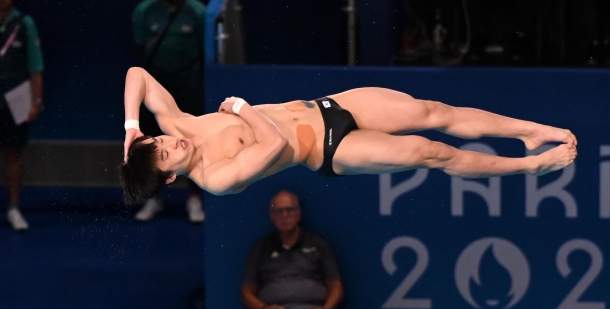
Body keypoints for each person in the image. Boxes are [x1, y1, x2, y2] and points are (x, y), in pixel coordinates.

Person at [119, 67, 578, 203]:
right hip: (331, 148)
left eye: (158, 142)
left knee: (431, 111)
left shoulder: (177, 125)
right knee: (428, 152)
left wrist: (132, 126)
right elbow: (275, 143)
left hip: (331, 105)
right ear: (172, 178)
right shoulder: (216, 177)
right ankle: (531, 165)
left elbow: (137, 74)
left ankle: (532, 134)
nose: (170, 144)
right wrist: (240, 108)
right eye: (164, 155)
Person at [131, 0, 206, 222]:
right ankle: (154, 197)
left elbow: (204, 48)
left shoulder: (197, 11)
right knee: (152, 143)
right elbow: (140, 45)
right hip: (155, 85)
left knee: (192, 140)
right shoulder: (145, 10)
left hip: (188, 85)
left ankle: (194, 198)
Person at [0, 0, 44, 231]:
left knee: (13, 153)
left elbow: (35, 67)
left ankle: (13, 208)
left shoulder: (24, 23)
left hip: (15, 101)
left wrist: (36, 102)